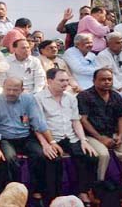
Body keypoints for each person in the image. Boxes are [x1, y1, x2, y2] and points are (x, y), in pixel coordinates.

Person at [34, 69, 98, 205]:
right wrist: (46, 143)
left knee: (90, 156)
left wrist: (83, 140)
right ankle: (53, 198)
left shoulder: (70, 97)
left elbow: (76, 121)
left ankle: (83, 191)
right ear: (50, 81)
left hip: (70, 136)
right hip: (52, 137)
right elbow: (38, 125)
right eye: (61, 80)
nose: (65, 83)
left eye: (67, 80)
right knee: (53, 159)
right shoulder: (38, 98)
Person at [0, 78, 55, 204]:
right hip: (6, 138)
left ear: (22, 90)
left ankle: (37, 191)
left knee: (41, 155)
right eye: (8, 89)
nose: (11, 92)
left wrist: (51, 142)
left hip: (26, 136)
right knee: (9, 158)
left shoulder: (28, 99)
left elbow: (38, 122)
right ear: (3, 87)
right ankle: (13, 194)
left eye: (15, 90)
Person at [78, 68, 122, 186]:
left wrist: (120, 136)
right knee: (103, 154)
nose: (107, 82)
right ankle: (98, 187)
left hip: (112, 134)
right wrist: (101, 138)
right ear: (94, 80)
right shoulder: (84, 96)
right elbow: (83, 120)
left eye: (109, 79)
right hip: (91, 135)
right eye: (103, 79)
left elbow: (121, 117)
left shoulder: (116, 96)